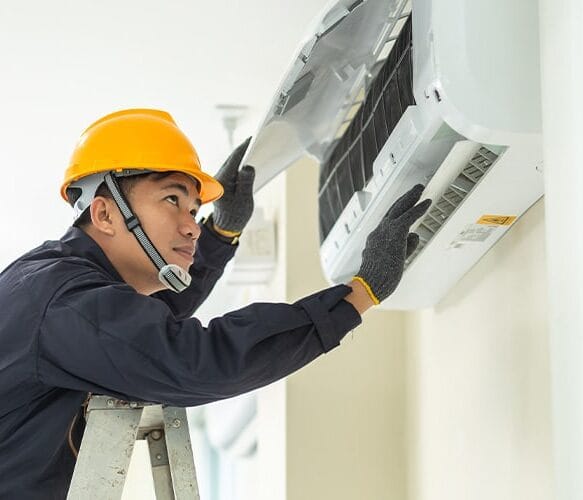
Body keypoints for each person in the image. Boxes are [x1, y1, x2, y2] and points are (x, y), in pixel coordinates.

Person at [0, 108, 430, 498]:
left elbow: (134, 332)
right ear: (105, 214)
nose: (191, 227)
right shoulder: (62, 303)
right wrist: (358, 296)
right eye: (173, 200)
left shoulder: (55, 282)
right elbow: (196, 361)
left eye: (193, 209)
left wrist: (220, 233)